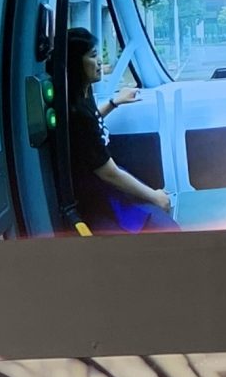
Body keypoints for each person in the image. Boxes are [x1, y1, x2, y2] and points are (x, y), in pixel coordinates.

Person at [63, 27, 175, 233]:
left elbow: (91, 124)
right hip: (102, 195)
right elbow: (108, 173)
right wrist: (154, 196)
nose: (99, 62)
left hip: (106, 186)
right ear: (74, 64)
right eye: (93, 56)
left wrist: (115, 102)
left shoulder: (81, 97)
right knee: (169, 231)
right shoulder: (77, 112)